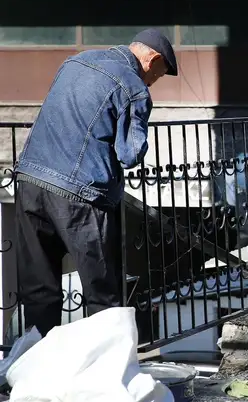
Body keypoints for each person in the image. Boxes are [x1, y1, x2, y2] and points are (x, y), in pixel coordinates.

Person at [14, 28, 178, 337]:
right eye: (158, 74)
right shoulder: (133, 87)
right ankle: (103, 372)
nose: (153, 81)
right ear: (152, 59)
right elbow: (129, 154)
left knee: (38, 289)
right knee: (103, 293)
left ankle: (32, 371)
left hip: (31, 178)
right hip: (81, 193)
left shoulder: (76, 61)